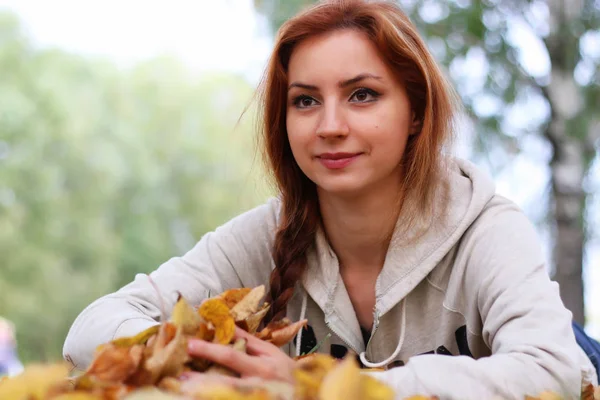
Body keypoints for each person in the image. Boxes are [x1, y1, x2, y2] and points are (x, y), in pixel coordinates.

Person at [63, 0, 599, 398]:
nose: (331, 126)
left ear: (415, 112)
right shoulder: (267, 234)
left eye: (362, 95)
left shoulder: (485, 226)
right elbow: (92, 329)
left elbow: (551, 372)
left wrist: (323, 384)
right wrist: (209, 358)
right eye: (305, 101)